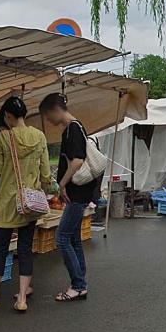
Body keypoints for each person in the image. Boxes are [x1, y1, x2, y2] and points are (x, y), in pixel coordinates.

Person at [0, 96, 52, 314]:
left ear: (8, 116)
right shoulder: (39, 137)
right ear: (24, 114)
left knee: (0, 250)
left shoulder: (3, 138)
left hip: (7, 202)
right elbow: (46, 172)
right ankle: (21, 299)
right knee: (25, 249)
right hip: (28, 202)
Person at [39, 92, 95, 303]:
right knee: (72, 237)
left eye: (47, 116)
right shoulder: (74, 127)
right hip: (80, 192)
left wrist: (61, 184)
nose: (49, 121)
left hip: (76, 192)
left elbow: (77, 161)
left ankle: (78, 285)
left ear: (54, 110)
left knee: (62, 237)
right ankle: (80, 281)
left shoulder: (72, 129)